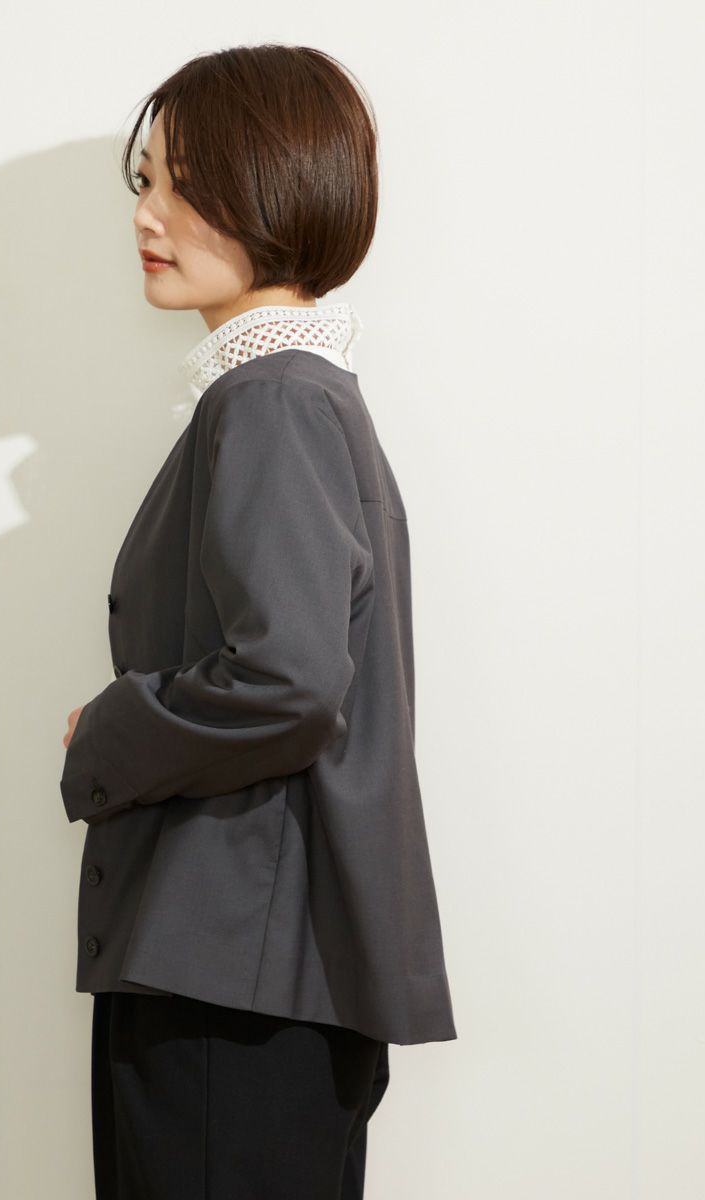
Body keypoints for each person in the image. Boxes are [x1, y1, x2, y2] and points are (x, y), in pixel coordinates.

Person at [60, 42, 457, 1200]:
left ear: (272, 187)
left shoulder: (273, 400)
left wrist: (109, 731)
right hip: (252, 974)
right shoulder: (298, 394)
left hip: (229, 982)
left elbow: (289, 680)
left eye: (182, 183)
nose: (147, 213)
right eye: (144, 179)